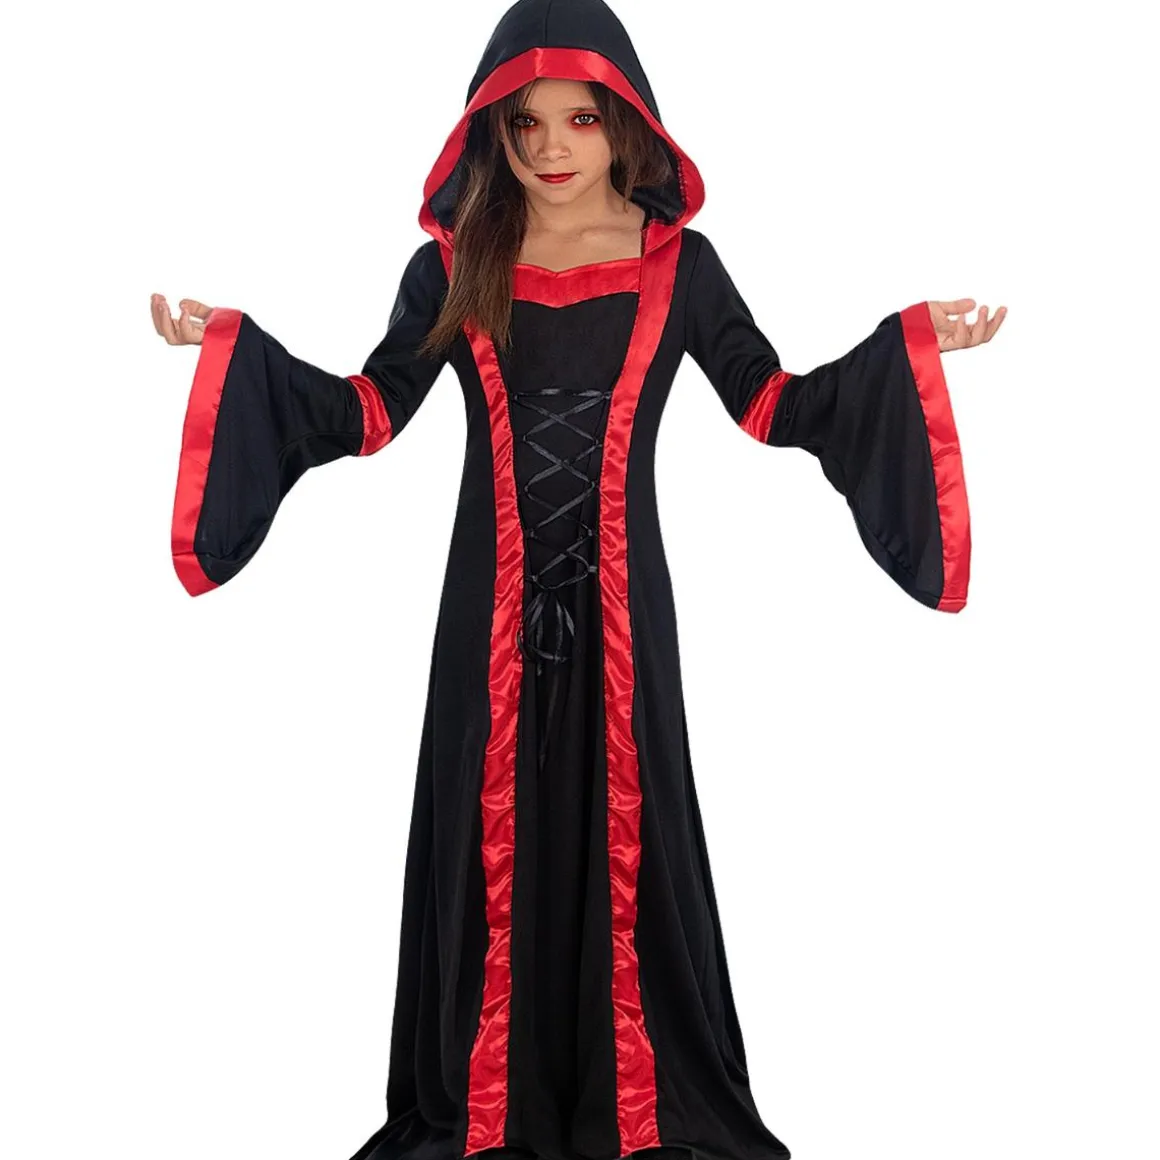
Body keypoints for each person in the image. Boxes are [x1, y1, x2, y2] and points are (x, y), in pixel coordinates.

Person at [150, 2, 1006, 1159]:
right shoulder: (453, 265)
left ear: (626, 126)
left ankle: (636, 1106)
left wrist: (906, 344)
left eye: (580, 120)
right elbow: (365, 411)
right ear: (490, 133)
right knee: (487, 836)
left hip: (622, 615)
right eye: (526, 124)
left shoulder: (677, 266)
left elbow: (774, 403)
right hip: (486, 617)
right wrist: (231, 347)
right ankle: (487, 1107)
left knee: (628, 832)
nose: (551, 147)